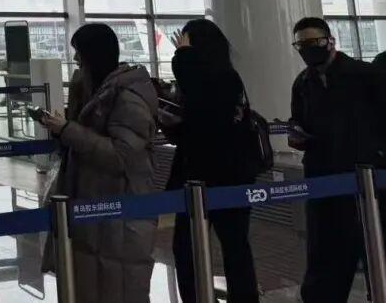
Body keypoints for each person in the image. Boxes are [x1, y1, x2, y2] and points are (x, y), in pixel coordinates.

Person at [38, 23, 158, 303]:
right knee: (93, 285)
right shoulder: (99, 90)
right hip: (96, 210)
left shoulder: (128, 96)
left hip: (118, 212)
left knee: (118, 287)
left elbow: (121, 155)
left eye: (79, 52)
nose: (76, 59)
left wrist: (67, 130)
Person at [290, 17, 386, 302]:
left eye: (314, 42)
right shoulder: (302, 83)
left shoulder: (364, 75)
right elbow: (299, 120)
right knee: (325, 250)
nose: (308, 49)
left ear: (330, 41)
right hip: (323, 179)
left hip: (365, 177)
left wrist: (377, 154)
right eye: (301, 45)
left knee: (374, 245)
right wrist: (297, 135)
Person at [166, 19, 259, 303]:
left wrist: (183, 57)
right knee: (216, 246)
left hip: (217, 177)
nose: (181, 47)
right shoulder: (219, 79)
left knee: (222, 247)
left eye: (187, 42)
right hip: (219, 175)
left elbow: (208, 121)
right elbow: (199, 124)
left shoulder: (222, 79)